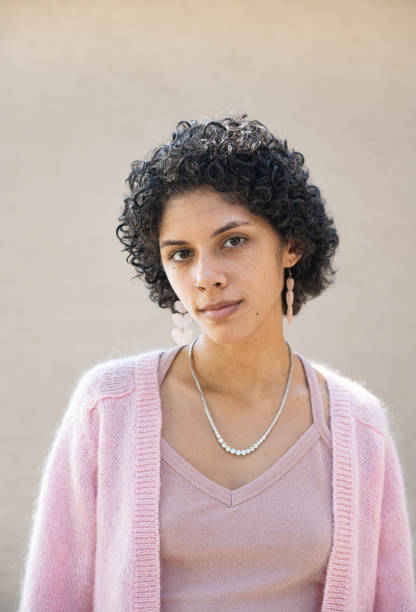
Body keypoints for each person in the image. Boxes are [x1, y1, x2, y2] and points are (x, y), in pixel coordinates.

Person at [18, 114, 416, 611]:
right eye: (181, 254)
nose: (205, 277)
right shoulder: (109, 407)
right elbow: (52, 598)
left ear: (290, 245)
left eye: (233, 241)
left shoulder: (358, 426)